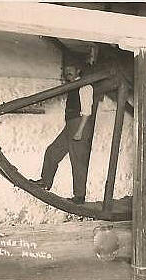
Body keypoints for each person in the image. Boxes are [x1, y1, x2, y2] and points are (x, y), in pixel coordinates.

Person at [33, 60, 96, 205]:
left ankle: (79, 197)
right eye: (66, 69)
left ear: (78, 70)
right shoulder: (73, 86)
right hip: (70, 126)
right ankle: (45, 182)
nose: (68, 71)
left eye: (71, 69)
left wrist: (79, 131)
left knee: (78, 161)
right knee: (52, 151)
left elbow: (87, 111)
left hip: (80, 125)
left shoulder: (85, 86)